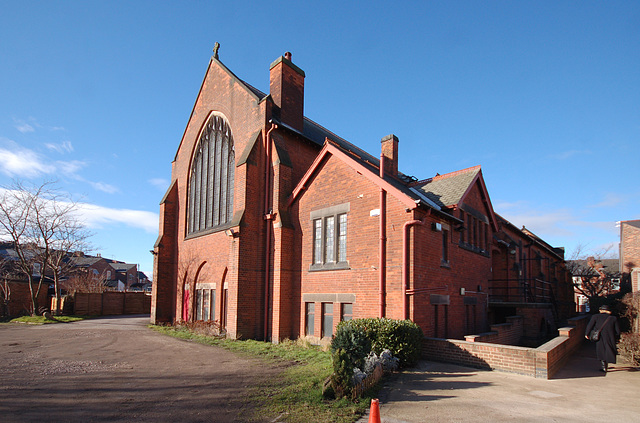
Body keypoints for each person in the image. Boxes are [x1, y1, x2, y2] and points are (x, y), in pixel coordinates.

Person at [585, 305, 620, 373]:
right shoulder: (613, 318)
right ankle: (608, 362)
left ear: (601, 310)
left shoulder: (595, 316)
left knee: (601, 350)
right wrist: (617, 337)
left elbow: (590, 325)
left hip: (599, 336)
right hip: (610, 337)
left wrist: (587, 334)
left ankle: (604, 366)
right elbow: (617, 331)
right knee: (609, 349)